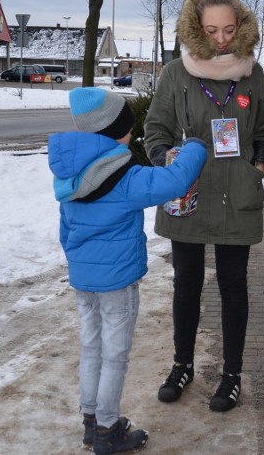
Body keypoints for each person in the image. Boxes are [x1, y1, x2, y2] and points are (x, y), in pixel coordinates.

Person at [48, 87, 207, 454]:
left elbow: (65, 228)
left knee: (91, 349)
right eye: (127, 127)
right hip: (117, 283)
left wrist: (78, 263)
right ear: (111, 130)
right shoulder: (125, 177)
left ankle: (91, 423)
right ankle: (107, 430)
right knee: (114, 356)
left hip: (84, 281)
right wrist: (196, 147)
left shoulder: (71, 175)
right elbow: (173, 182)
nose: (132, 134)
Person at [144, 0, 264, 412]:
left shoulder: (252, 74)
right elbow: (155, 129)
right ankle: (182, 364)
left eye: (229, 29)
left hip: (235, 196)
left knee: (233, 286)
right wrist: (169, 163)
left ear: (241, 27)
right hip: (190, 193)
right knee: (186, 284)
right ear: (195, 29)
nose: (221, 39)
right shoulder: (175, 73)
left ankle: (231, 375)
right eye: (211, 30)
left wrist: (256, 168)